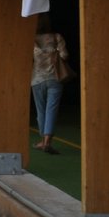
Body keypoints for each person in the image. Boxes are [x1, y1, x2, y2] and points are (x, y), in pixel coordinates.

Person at [31, 25, 69, 154]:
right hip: (54, 78)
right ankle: (47, 142)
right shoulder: (56, 37)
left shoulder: (31, 39)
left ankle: (42, 141)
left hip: (36, 79)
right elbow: (64, 55)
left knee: (40, 111)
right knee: (51, 110)